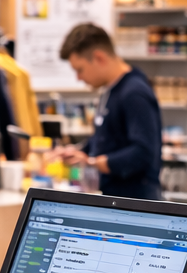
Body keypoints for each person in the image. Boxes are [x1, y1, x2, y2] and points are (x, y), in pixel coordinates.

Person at [54, 23, 162, 199]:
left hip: (135, 204)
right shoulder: (111, 90)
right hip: (114, 199)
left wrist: (92, 163)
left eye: (80, 70)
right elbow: (107, 139)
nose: (78, 78)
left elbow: (143, 152)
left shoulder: (134, 93)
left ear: (99, 58)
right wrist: (79, 152)